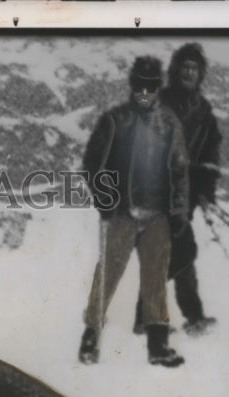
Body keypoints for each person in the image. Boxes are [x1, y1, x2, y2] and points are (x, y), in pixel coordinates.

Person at [78, 56, 189, 368]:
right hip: (121, 214)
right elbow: (91, 165)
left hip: (157, 215)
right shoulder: (114, 120)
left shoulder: (169, 123)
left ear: (158, 87)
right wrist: (106, 202)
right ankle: (90, 337)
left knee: (155, 279)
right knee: (108, 274)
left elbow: (179, 170)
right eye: (140, 85)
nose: (144, 91)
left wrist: (178, 211)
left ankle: (158, 346)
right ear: (131, 85)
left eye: (151, 86)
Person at [133, 43, 222, 337]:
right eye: (184, 67)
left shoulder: (203, 111)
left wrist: (206, 186)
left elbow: (211, 151)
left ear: (200, 74)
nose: (188, 72)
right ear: (175, 70)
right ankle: (160, 317)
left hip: (184, 196)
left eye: (194, 68)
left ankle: (157, 317)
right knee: (170, 252)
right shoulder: (161, 103)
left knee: (175, 253)